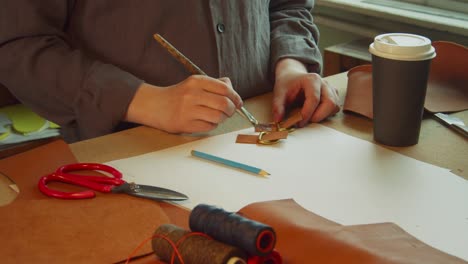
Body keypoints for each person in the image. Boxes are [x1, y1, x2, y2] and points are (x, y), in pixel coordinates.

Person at [0, 0, 340, 143]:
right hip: (127, 157)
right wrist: (144, 100)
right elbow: (18, 44)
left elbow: (288, 4)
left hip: (266, 140)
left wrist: (291, 64)